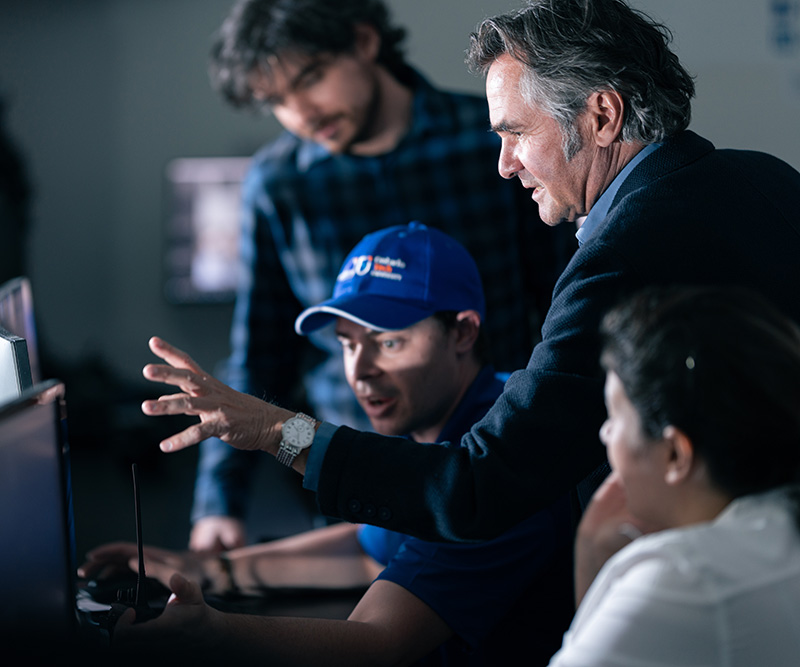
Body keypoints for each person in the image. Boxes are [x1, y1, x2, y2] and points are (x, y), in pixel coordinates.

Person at [140, 0, 800, 546]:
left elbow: (483, 483)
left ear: (602, 116)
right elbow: (260, 348)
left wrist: (277, 431)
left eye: (514, 134)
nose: (505, 165)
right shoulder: (770, 178)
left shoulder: (614, 255)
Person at [87, 224, 575, 665]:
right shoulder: (442, 424)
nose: (359, 372)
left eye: (388, 342)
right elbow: (368, 549)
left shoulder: (501, 456)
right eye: (346, 342)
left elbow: (377, 641)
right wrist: (211, 569)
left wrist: (212, 634)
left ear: (463, 332)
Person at [190, 0, 576, 553]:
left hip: (496, 468)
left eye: (311, 78)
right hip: (351, 485)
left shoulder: (494, 144)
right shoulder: (278, 186)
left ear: (365, 42)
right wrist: (218, 506)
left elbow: (561, 300)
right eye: (275, 101)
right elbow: (260, 351)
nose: (300, 112)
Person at [547, 285, 800, 666]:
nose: (605, 434)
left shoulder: (682, 578)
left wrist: (591, 558)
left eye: (614, 417)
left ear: (675, 454)